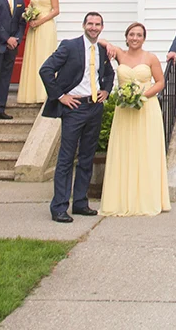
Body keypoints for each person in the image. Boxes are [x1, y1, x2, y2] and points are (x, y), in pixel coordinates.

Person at [39, 11, 115, 223]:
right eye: (90, 23)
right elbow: (46, 70)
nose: (93, 27)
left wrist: (106, 91)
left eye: (97, 24)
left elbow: (109, 74)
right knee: (66, 158)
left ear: (102, 27)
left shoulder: (102, 49)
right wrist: (61, 96)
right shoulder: (69, 46)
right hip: (74, 107)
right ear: (84, 25)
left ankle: (80, 202)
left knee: (87, 157)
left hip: (94, 107)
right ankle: (59, 207)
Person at [101, 22, 170, 216]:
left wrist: (142, 96)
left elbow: (160, 82)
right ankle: (123, 197)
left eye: (139, 35)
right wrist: (108, 46)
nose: (135, 38)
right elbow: (100, 40)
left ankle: (147, 197)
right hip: (124, 109)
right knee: (125, 150)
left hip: (146, 108)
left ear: (144, 38)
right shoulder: (120, 55)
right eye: (131, 34)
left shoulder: (151, 58)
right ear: (126, 37)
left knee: (145, 150)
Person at [16, 0, 60, 106]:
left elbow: (56, 10)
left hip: (45, 27)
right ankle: (30, 93)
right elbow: (30, 7)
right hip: (34, 28)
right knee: (33, 56)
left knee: (43, 55)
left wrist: (40, 21)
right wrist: (29, 17)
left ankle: (43, 93)